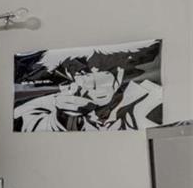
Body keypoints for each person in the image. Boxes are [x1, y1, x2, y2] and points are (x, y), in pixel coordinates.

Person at [14, 45, 162, 131]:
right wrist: (62, 117)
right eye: (83, 73)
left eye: (105, 71)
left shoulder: (149, 98)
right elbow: (26, 121)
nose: (94, 83)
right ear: (69, 76)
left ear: (120, 73)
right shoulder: (46, 106)